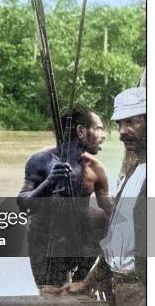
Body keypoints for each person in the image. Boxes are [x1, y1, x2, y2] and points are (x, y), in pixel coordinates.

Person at [60, 87, 146, 306]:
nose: (122, 131)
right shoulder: (135, 171)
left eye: (132, 122)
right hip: (124, 290)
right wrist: (88, 282)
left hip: (141, 290)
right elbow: (117, 240)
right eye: (120, 123)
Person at [17, 105, 112, 286]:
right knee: (50, 293)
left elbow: (110, 214)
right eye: (99, 128)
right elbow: (23, 205)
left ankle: (79, 281)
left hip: (80, 244)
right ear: (81, 131)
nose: (104, 135)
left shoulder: (95, 168)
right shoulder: (40, 160)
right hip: (45, 242)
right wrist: (48, 184)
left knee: (97, 216)